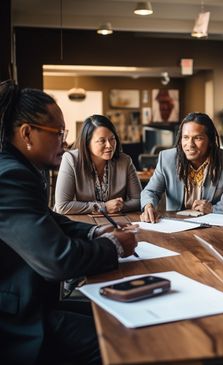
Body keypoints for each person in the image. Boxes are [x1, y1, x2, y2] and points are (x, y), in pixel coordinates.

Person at [0, 80, 138, 365]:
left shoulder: (17, 168)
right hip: (14, 320)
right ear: (27, 133)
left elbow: (49, 218)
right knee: (124, 339)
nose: (64, 142)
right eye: (58, 133)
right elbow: (57, 261)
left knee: (118, 315)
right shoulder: (11, 176)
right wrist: (111, 246)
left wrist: (96, 230)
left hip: (30, 300)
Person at [140, 112, 223, 222]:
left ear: (210, 141)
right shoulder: (166, 158)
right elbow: (150, 191)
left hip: (210, 226)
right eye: (186, 137)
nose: (190, 144)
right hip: (175, 225)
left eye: (198, 138)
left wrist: (213, 209)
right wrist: (148, 206)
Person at [54, 114, 142, 215]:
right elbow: (62, 206)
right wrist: (103, 207)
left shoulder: (125, 161)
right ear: (87, 142)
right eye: (102, 141)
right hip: (79, 224)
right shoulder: (71, 160)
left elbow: (139, 200)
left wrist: (119, 206)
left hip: (116, 222)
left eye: (112, 139)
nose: (109, 145)